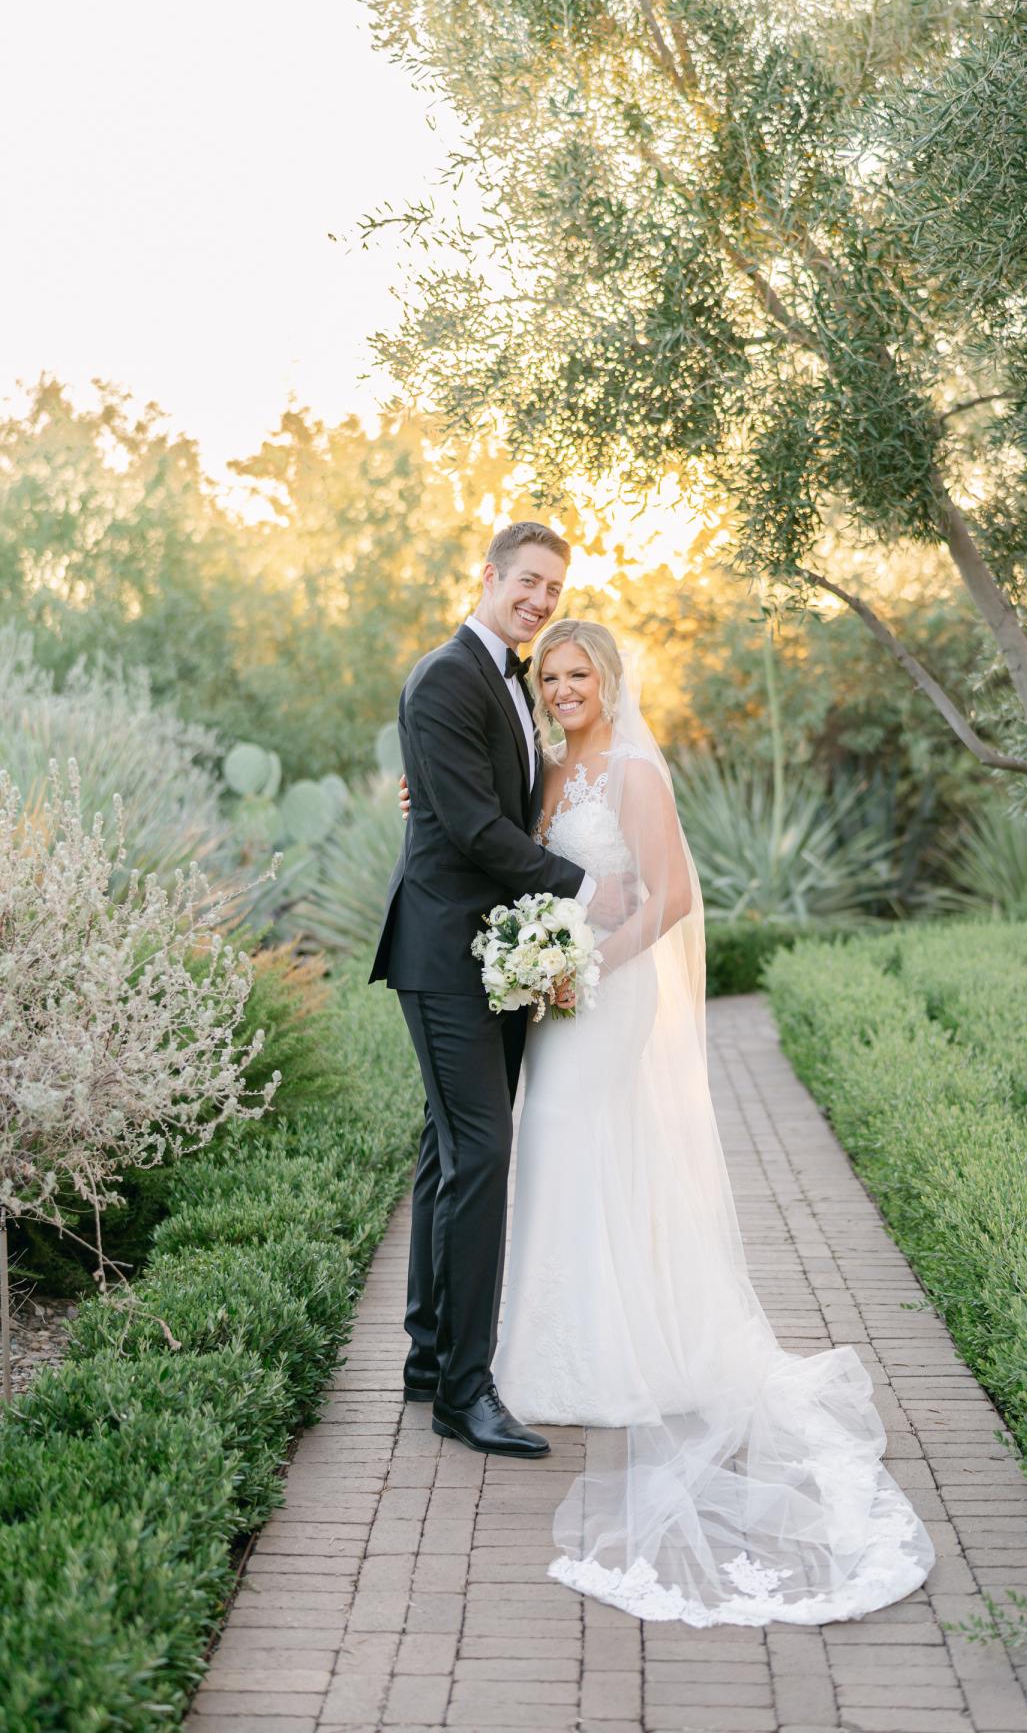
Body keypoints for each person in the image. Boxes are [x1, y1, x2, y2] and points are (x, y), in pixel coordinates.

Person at [397, 617, 937, 1628]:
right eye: (551, 675)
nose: (563, 689)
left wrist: (590, 968)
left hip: (608, 992)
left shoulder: (637, 773)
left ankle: (609, 1351)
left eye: (578, 675)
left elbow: (674, 896)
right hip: (558, 999)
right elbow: (504, 841)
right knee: (550, 1156)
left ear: (609, 678)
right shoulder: (553, 770)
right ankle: (534, 1349)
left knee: (585, 1146)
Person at [367, 525, 633, 1461]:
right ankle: (464, 1397)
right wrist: (584, 889)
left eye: (553, 586)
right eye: (527, 580)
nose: (539, 597)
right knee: (482, 1152)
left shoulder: (510, 678)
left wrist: (433, 798)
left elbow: (485, 799)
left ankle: (430, 1357)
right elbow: (478, 827)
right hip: (444, 952)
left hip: (489, 953)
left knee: (451, 1152)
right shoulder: (447, 674)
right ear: (488, 577)